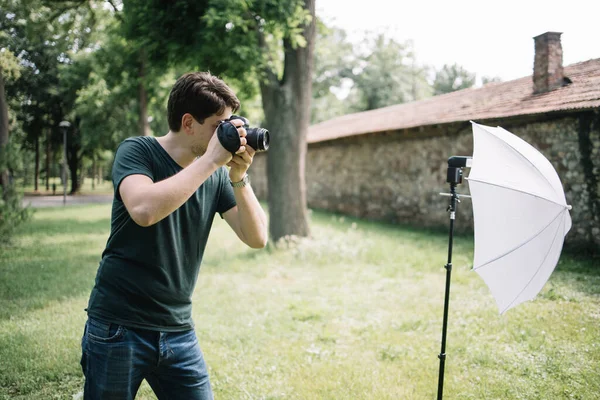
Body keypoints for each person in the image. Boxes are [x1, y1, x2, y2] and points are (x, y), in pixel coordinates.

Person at [80, 72, 268, 400]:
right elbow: (143, 209)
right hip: (119, 326)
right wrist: (212, 160)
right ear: (188, 123)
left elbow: (256, 237)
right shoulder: (138, 151)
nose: (225, 137)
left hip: (178, 330)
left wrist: (238, 175)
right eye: (218, 126)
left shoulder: (215, 174)